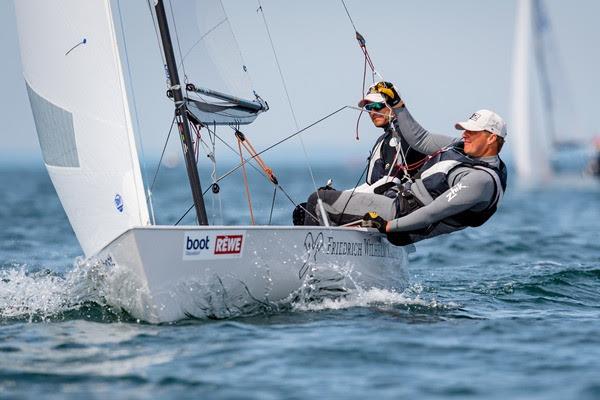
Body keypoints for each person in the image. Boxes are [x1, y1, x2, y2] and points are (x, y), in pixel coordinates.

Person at [302, 81, 508, 245]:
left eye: (472, 131)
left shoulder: (481, 180)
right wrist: (398, 105)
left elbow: (432, 213)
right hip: (398, 204)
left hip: (401, 215)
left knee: (318, 201)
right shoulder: (458, 146)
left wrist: (388, 226)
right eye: (465, 129)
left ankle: (313, 270)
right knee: (305, 211)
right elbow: (421, 139)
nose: (465, 134)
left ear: (491, 138)